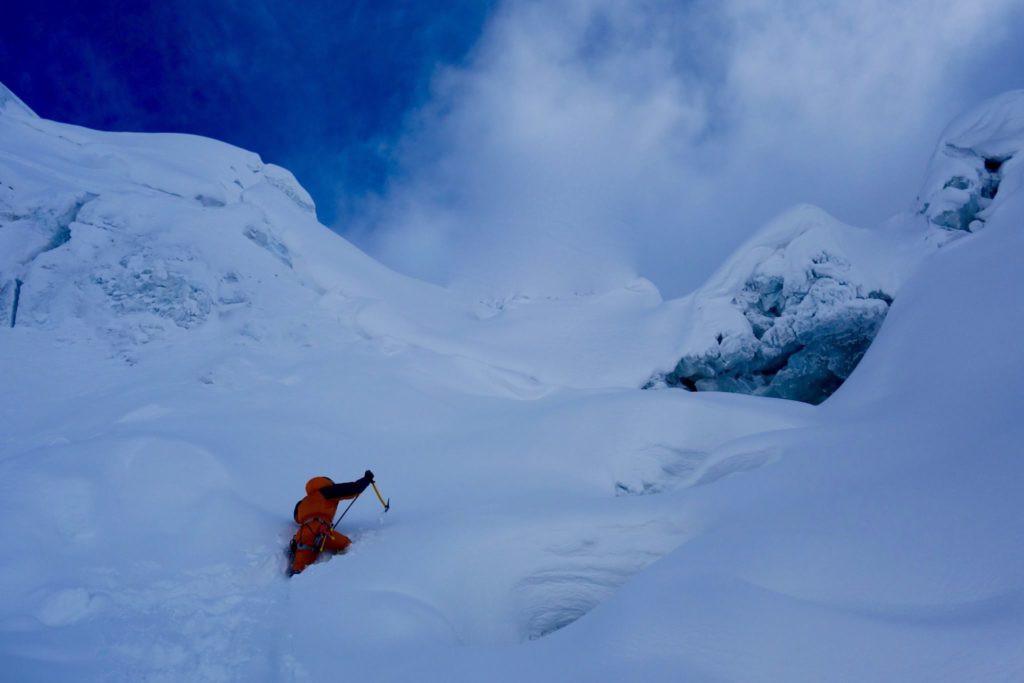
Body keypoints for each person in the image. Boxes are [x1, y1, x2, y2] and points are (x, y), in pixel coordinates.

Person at [288, 470, 374, 576]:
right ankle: (338, 575)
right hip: (321, 530)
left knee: (299, 568)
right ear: (326, 483)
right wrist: (366, 480)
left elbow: (296, 518)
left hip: (302, 534)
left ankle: (295, 571)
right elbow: (353, 488)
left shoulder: (303, 502)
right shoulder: (326, 491)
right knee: (348, 546)